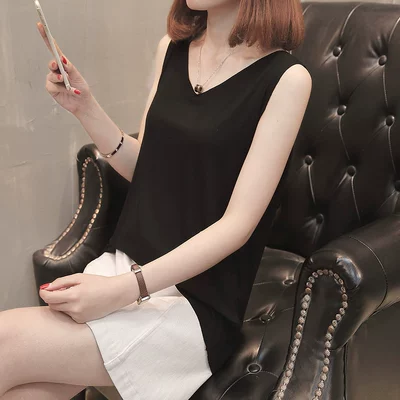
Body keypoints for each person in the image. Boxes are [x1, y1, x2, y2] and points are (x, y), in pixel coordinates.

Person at [0, 0, 311, 399]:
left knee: (5, 342)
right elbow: (148, 170)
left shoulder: (287, 79)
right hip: (125, 268)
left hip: (194, 305)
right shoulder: (172, 49)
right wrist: (85, 107)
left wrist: (123, 290)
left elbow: (238, 226)